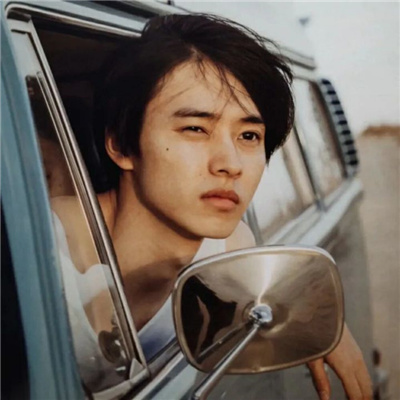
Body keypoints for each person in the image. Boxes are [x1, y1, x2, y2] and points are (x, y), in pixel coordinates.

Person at [53, 13, 372, 400]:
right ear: (121, 145)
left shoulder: (229, 248)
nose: (231, 164)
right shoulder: (44, 247)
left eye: (249, 135)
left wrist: (311, 314)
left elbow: (270, 284)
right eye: (195, 128)